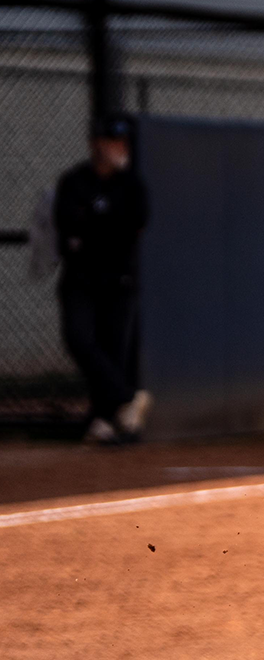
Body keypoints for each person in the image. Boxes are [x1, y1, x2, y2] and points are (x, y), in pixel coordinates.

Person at [55, 113, 151, 444]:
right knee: (78, 337)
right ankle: (127, 399)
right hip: (81, 279)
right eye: (111, 141)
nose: (117, 148)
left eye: (122, 142)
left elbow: (133, 226)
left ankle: (106, 419)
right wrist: (102, 227)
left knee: (113, 348)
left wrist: (98, 225)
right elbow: (69, 226)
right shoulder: (75, 182)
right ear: (97, 144)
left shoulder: (132, 186)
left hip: (118, 281)